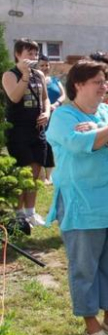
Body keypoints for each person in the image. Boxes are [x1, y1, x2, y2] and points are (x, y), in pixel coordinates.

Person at [45, 59, 108, 335]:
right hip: (82, 204)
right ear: (78, 84)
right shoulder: (63, 116)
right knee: (85, 268)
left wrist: (103, 132)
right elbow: (79, 144)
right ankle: (91, 325)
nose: (105, 88)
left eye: (105, 82)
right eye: (98, 82)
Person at [2, 39, 50, 225]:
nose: (33, 57)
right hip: (18, 130)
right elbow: (14, 97)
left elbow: (45, 98)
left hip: (37, 130)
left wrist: (46, 112)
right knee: (22, 172)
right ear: (18, 55)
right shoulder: (9, 74)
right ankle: (19, 215)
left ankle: (31, 212)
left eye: (35, 54)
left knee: (35, 172)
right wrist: (24, 74)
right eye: (29, 53)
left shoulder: (39, 74)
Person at [38, 54, 65, 184]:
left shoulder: (55, 80)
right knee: (41, 144)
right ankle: (41, 175)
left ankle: (49, 176)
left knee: (51, 144)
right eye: (42, 65)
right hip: (40, 116)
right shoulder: (34, 80)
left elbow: (63, 95)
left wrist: (56, 104)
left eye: (46, 65)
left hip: (55, 116)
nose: (44, 67)